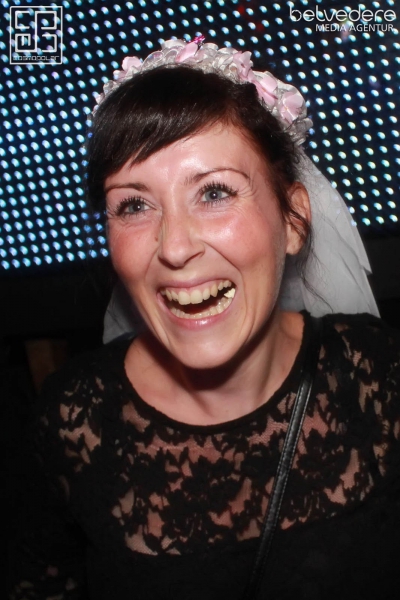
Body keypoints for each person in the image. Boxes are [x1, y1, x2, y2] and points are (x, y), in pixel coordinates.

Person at [9, 38, 400, 600]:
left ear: (293, 220)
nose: (174, 247)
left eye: (214, 192)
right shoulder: (72, 423)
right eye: (134, 205)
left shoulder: (380, 376)